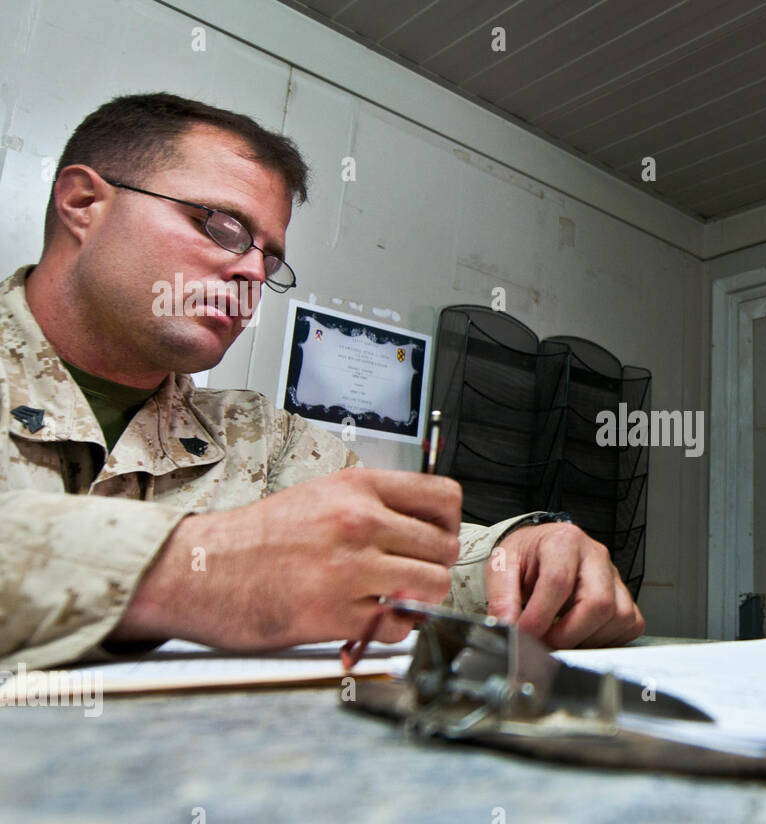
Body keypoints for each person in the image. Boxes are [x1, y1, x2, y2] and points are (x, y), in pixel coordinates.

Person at [0, 93, 643, 671]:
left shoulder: (260, 438)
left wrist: (524, 558)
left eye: (269, 257)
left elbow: (391, 550)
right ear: (84, 202)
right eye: (220, 227)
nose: (252, 272)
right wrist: (189, 571)